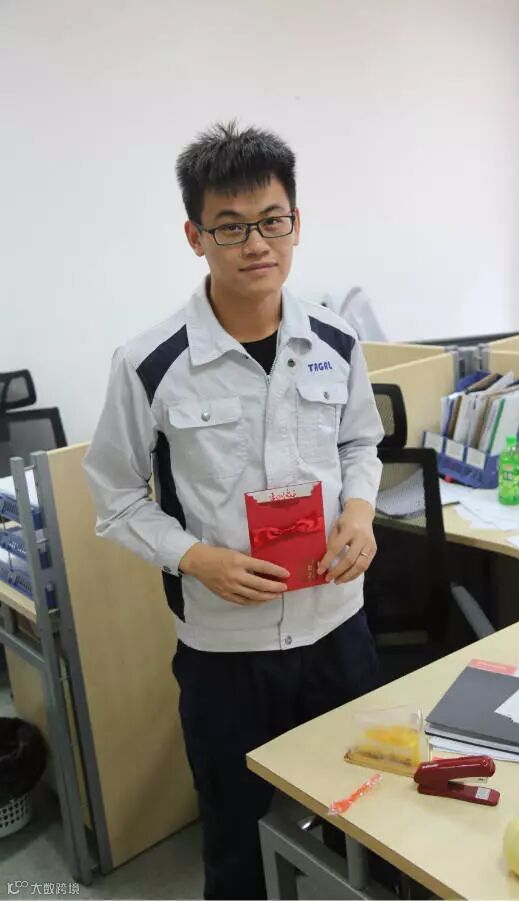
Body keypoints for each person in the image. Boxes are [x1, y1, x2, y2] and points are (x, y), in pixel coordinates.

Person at [83, 121, 384, 900]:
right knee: (236, 841)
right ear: (196, 235)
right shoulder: (149, 363)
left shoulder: (338, 340)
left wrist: (359, 511)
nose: (256, 243)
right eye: (231, 225)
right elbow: (114, 494)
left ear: (296, 223)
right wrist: (194, 556)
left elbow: (361, 442)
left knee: (366, 820)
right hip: (226, 652)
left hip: (337, 629)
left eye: (272, 220)